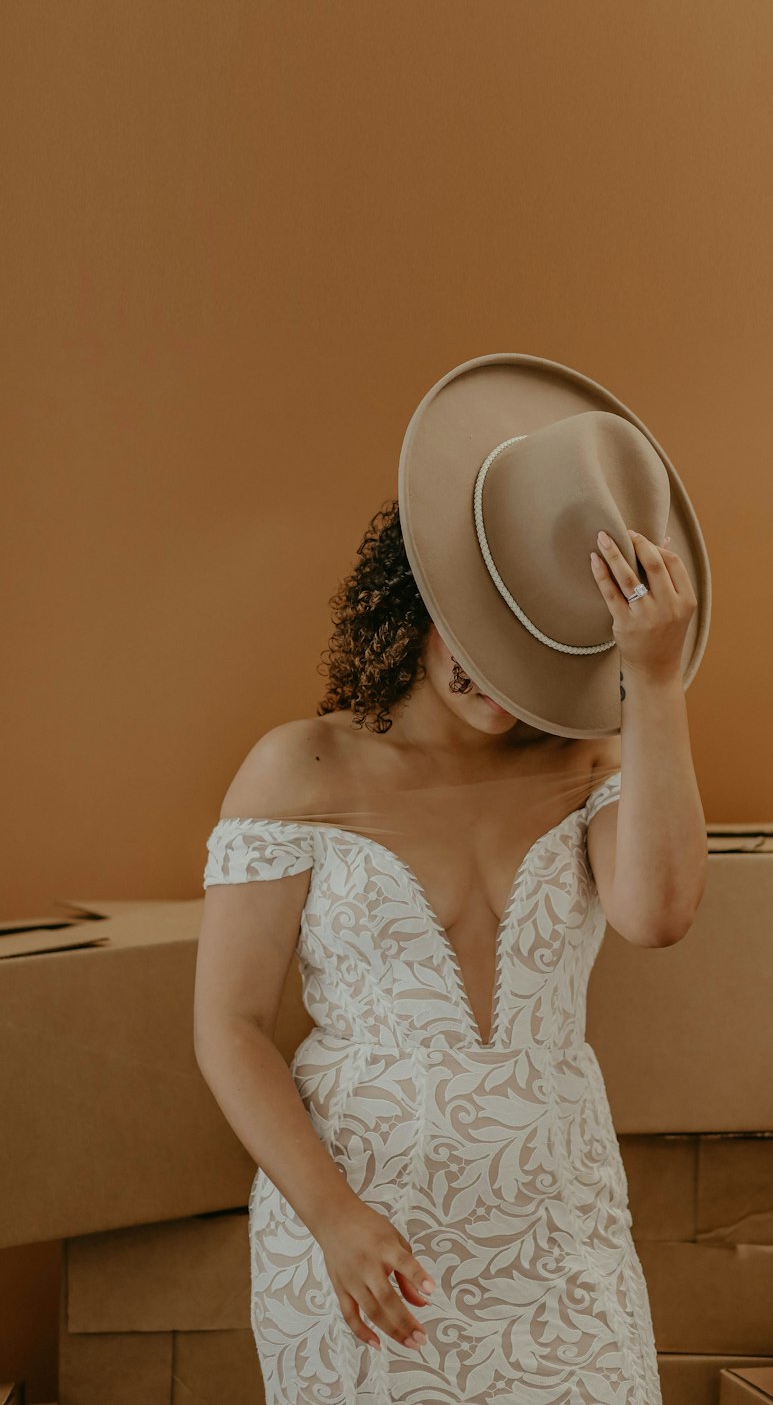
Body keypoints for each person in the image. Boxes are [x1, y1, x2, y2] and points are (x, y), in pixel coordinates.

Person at [195, 354, 710, 1404]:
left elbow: (657, 917)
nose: (490, 667)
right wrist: (333, 1219)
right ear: (424, 585)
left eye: (534, 639)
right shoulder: (303, 767)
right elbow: (231, 1025)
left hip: (558, 1238)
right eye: (478, 619)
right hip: (363, 1242)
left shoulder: (594, 763)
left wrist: (653, 682)